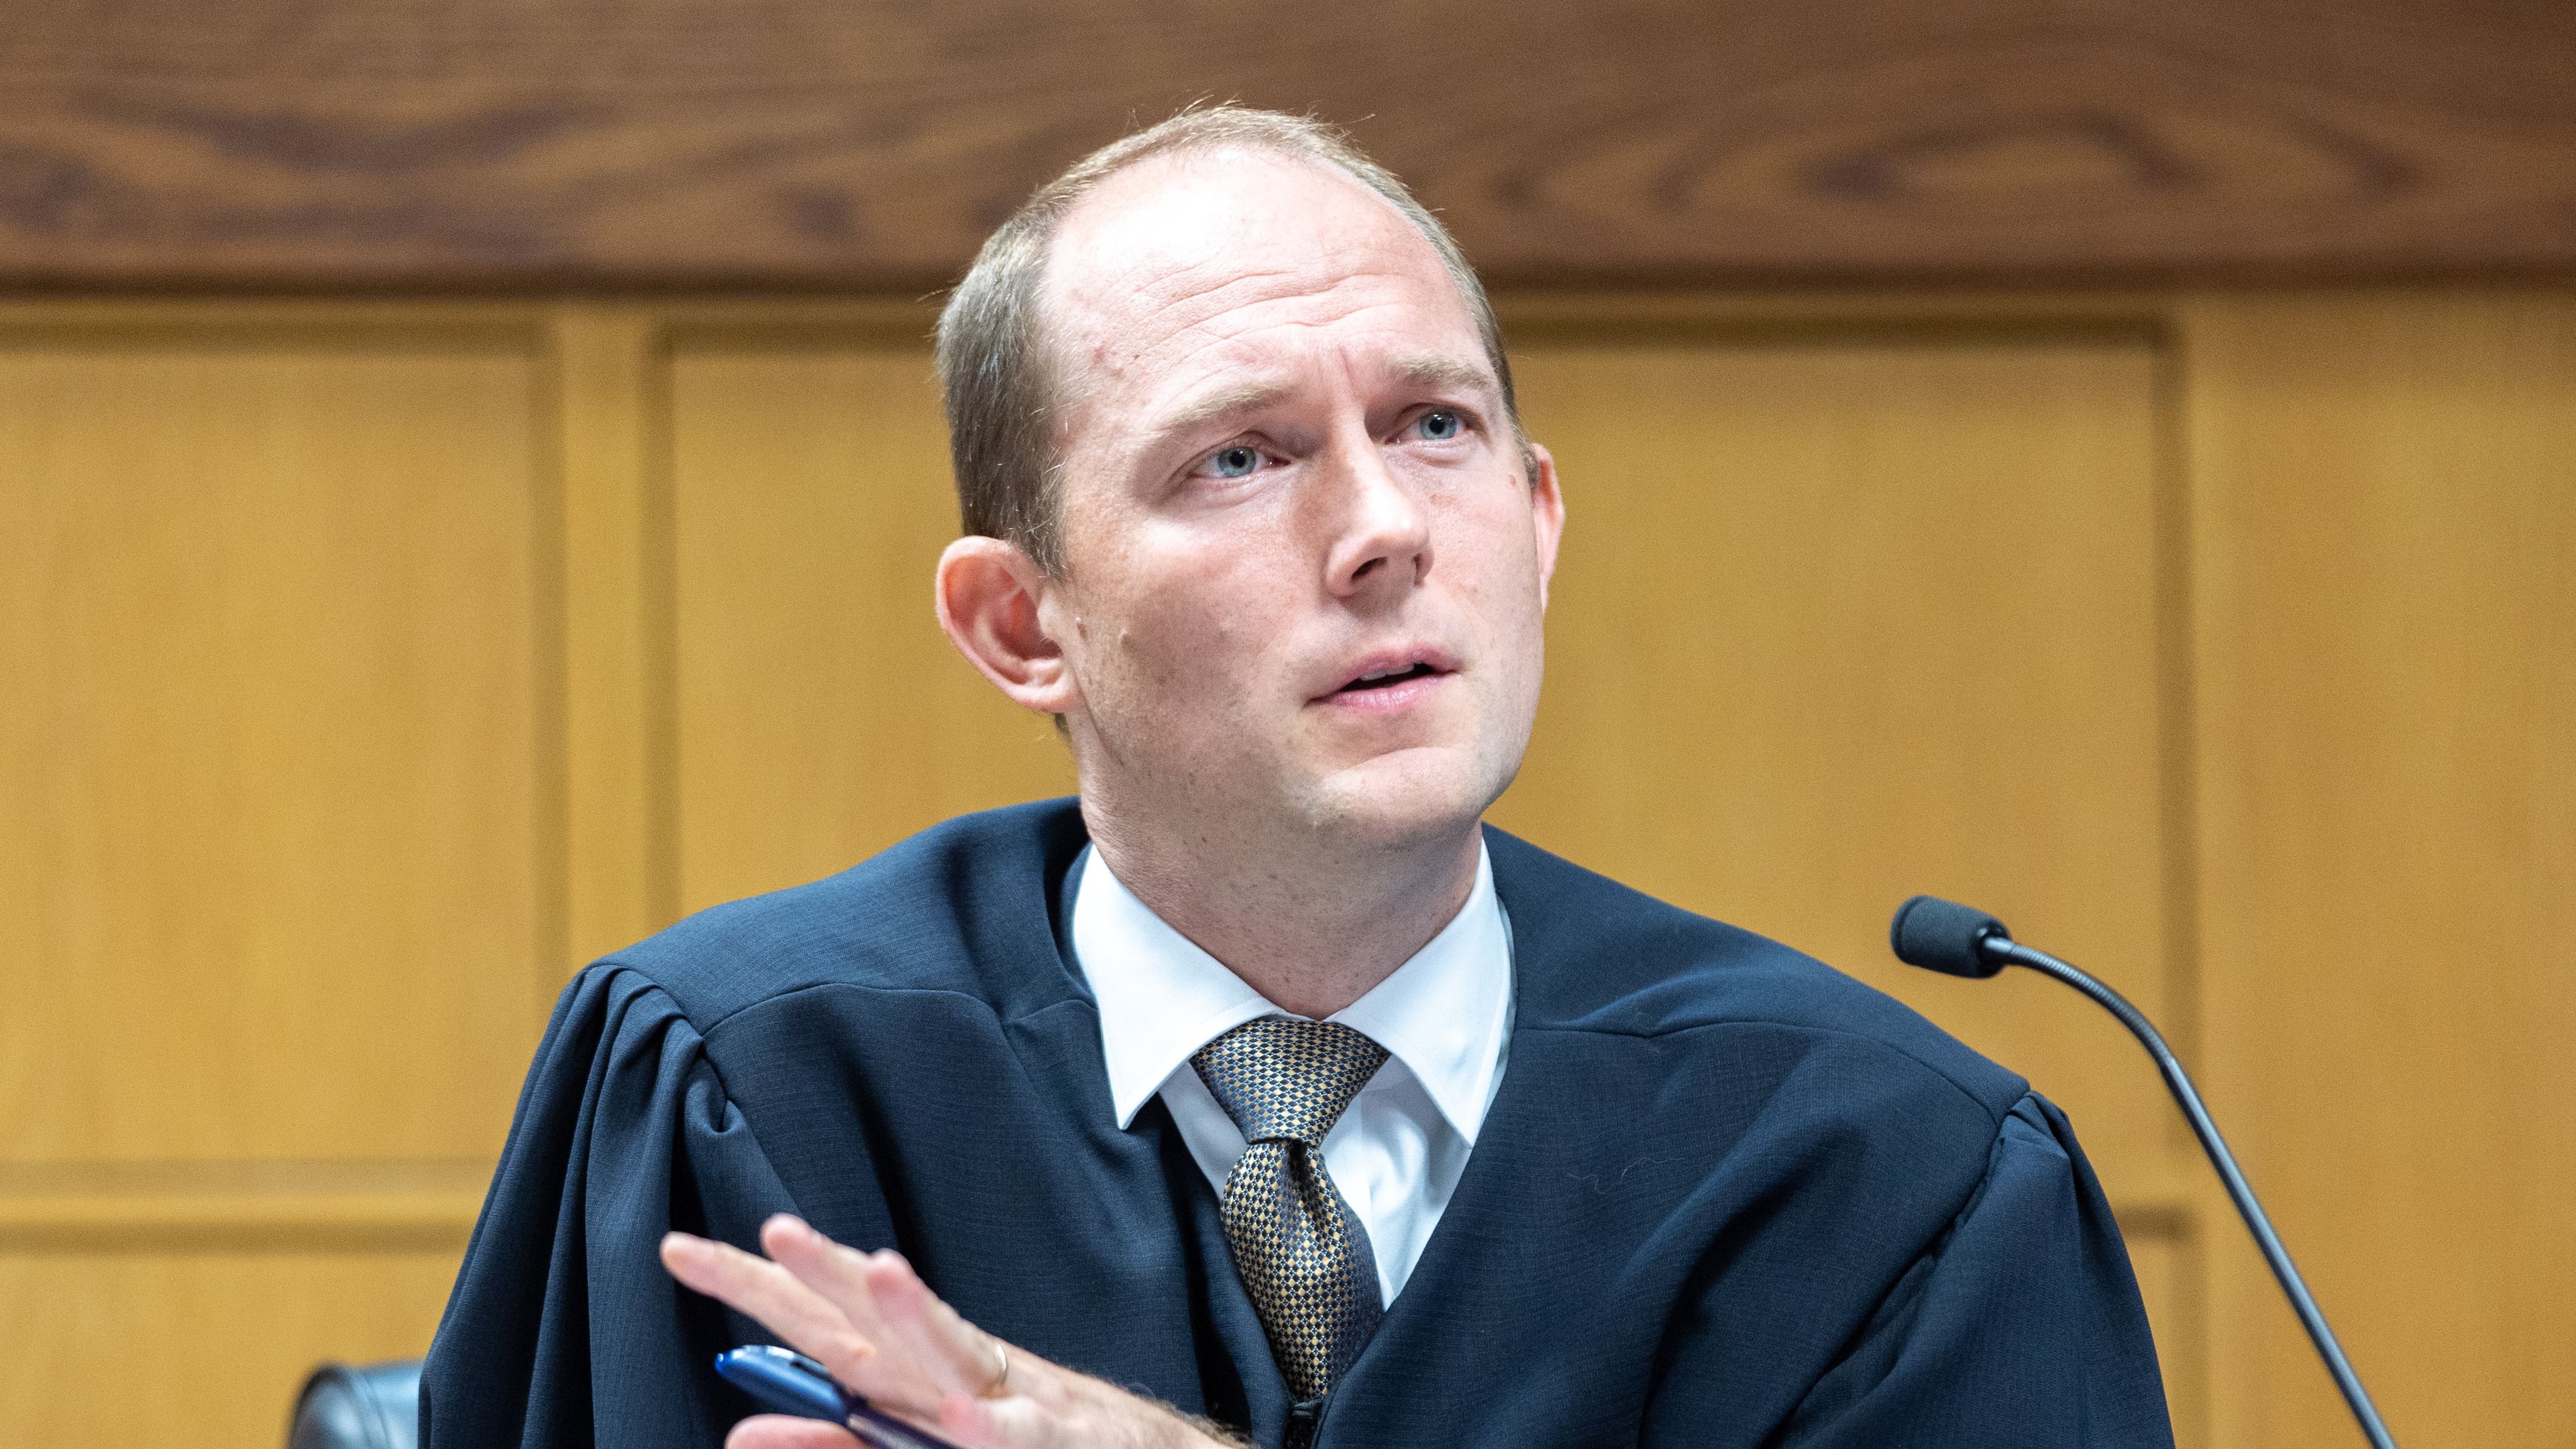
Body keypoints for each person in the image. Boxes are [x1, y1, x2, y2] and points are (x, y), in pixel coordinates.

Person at [423, 107, 2174, 1449]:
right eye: (1242, 457)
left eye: (1434, 426)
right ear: (1023, 623)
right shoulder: (758, 1091)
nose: (1385, 531)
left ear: (1539, 525)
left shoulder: (1878, 1176)